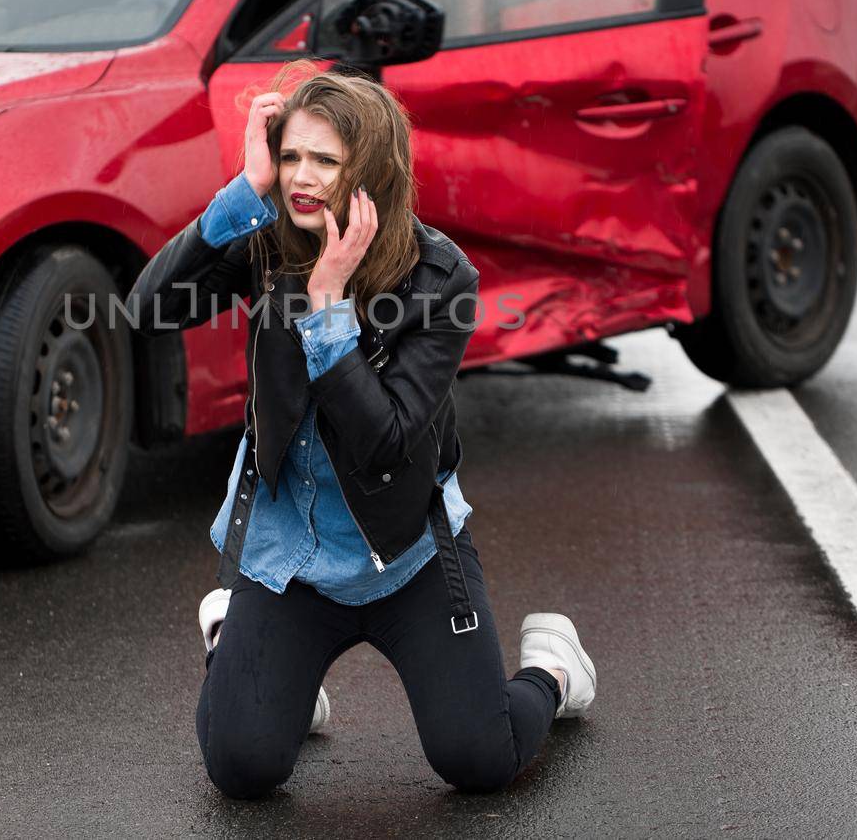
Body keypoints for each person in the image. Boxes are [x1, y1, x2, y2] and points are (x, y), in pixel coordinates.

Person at [124, 62, 596, 799]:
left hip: (403, 556)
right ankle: (246, 646)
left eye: (325, 161)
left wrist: (330, 311)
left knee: (479, 758)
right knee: (243, 767)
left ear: (369, 172)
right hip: (289, 561)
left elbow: (387, 438)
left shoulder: (442, 279)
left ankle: (555, 667)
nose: (300, 178)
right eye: (290, 157)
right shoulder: (267, 237)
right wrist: (244, 192)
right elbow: (147, 305)